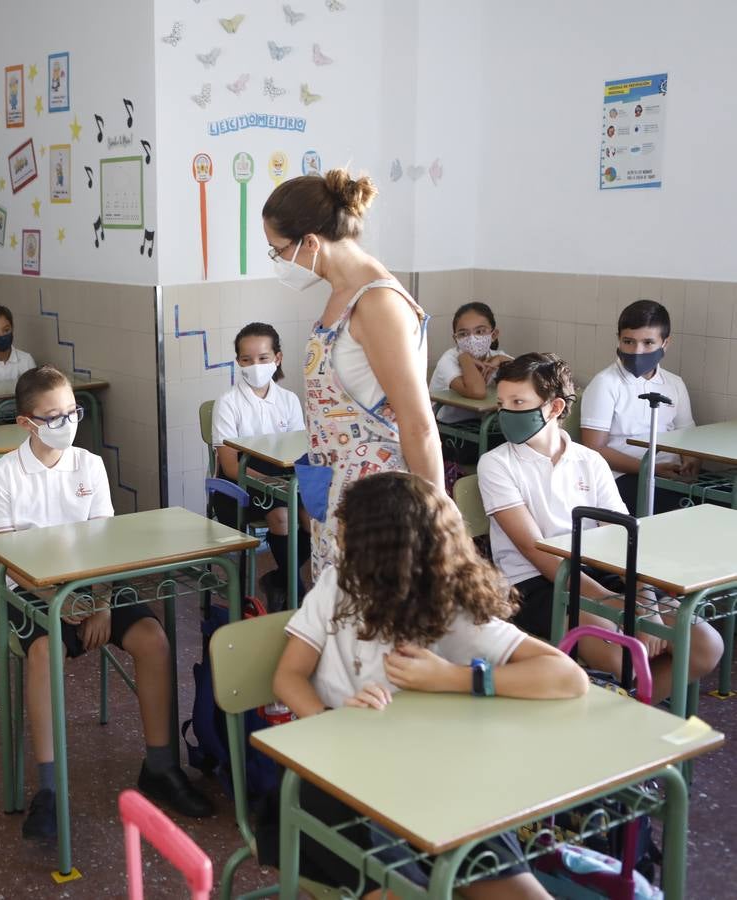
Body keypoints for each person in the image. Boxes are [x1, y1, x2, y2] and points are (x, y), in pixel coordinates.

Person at [271, 471, 584, 897]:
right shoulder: (337, 586)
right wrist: (332, 721)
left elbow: (568, 678)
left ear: (384, 553)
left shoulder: (448, 602)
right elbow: (288, 676)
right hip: (336, 781)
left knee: (520, 892)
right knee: (402, 889)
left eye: (348, 535)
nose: (338, 541)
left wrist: (453, 677)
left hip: (436, 783)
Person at [0, 365, 211, 841]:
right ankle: (48, 790)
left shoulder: (88, 464)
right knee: (45, 653)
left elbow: (106, 542)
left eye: (72, 412)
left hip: (95, 585)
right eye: (52, 416)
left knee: (153, 639)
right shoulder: (4, 473)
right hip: (33, 589)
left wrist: (103, 604)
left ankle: (160, 765)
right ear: (26, 422)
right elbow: (8, 559)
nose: (66, 422)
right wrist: (61, 603)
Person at [479, 353, 720, 700]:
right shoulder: (496, 464)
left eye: (518, 402)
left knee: (704, 645)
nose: (506, 413)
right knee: (626, 655)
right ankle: (625, 711)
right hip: (533, 583)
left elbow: (625, 536)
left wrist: (645, 602)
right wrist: (618, 606)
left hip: (598, 570)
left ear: (554, 407)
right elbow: (537, 552)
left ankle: (631, 711)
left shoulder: (589, 460)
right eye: (502, 403)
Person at [262, 169, 441, 577]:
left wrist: (437, 522)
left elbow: (419, 425)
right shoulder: (339, 296)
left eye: (277, 250)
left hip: (382, 505)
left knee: (376, 627)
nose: (277, 261)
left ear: (310, 242)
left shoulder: (378, 302)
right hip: (339, 494)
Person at [209, 323, 307, 608]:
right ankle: (299, 596)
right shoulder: (228, 402)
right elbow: (229, 467)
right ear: (238, 361)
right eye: (246, 359)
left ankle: (278, 580)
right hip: (239, 483)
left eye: (263, 358)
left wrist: (285, 483)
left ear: (277, 358)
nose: (255, 365)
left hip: (284, 477)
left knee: (317, 516)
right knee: (281, 515)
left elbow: (297, 452)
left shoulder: (288, 400)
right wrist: (273, 485)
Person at [579, 300, 697, 515]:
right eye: (628, 341)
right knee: (674, 507)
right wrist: (653, 470)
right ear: (619, 340)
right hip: (621, 476)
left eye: (648, 343)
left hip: (669, 473)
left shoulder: (675, 384)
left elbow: (689, 437)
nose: (637, 351)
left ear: (665, 343)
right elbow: (594, 448)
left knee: (715, 502)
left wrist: (690, 464)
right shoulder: (605, 383)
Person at [428, 301, 514, 464]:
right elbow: (477, 392)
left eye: (480, 331)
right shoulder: (450, 359)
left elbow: (529, 380)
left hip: (484, 426)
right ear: (456, 339)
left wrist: (504, 360)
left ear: (493, 334)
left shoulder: (497, 356)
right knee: (496, 458)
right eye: (463, 334)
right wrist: (465, 358)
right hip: (448, 430)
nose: (472, 338)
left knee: (518, 445)